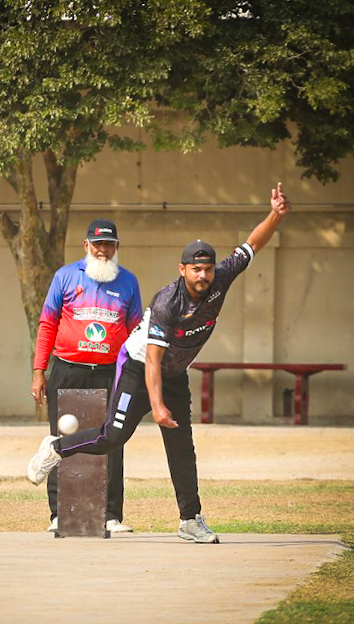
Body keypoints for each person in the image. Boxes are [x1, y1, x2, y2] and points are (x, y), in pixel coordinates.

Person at [28, 183, 291, 544]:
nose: (203, 276)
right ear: (182, 270)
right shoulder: (168, 303)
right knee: (113, 436)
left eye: (207, 269)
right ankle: (56, 449)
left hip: (174, 373)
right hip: (139, 369)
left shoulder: (221, 278)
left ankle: (190, 520)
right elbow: (152, 360)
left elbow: (253, 245)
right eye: (195, 270)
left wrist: (275, 215)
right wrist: (157, 406)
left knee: (182, 446)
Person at [31, 219, 143, 533]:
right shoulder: (65, 276)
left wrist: (138, 374)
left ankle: (110, 515)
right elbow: (47, 325)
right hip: (67, 370)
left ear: (117, 247)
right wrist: (39, 372)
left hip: (112, 373)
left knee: (113, 439)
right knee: (60, 440)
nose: (103, 250)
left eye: (109, 244)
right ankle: (59, 515)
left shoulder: (128, 282)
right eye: (97, 244)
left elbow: (136, 331)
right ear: (86, 246)